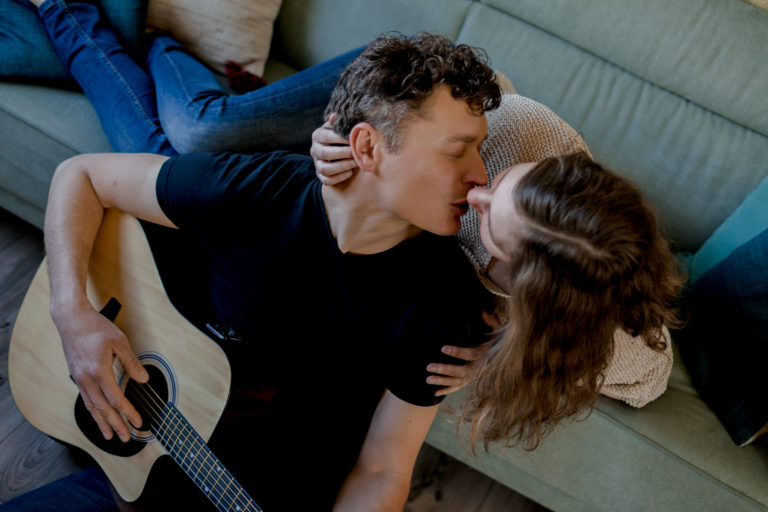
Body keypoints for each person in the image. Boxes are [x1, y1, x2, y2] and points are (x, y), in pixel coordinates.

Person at [7, 2, 503, 511]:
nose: (480, 174)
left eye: (480, 150)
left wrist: (503, 340)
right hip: (133, 478)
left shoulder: (443, 305)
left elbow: (382, 470)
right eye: (455, 149)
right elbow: (82, 175)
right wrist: (72, 314)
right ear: (366, 146)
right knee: (188, 135)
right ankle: (104, 22)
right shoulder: (259, 192)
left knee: (170, 139)